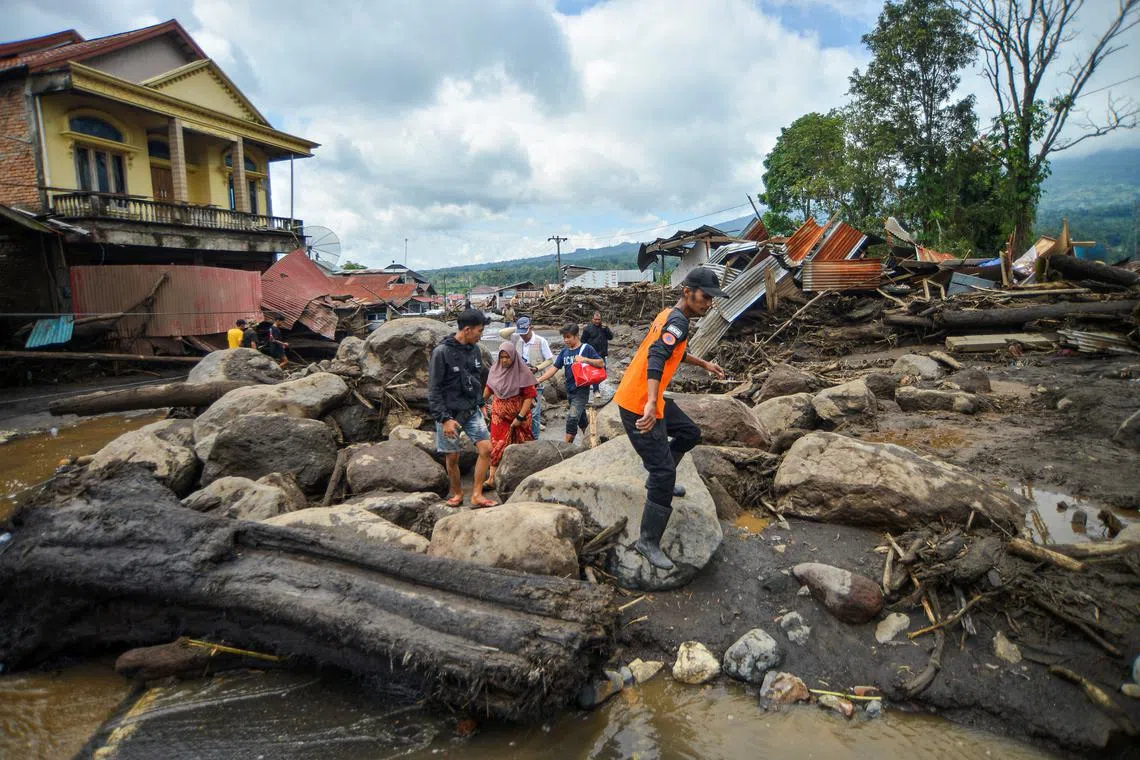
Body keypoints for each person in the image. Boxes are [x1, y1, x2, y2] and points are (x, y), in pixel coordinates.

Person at [613, 267, 727, 570]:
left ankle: (658, 479)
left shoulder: (673, 317)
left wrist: (704, 364)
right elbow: (656, 356)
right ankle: (647, 542)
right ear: (687, 292)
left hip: (649, 398)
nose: (709, 303)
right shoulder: (677, 320)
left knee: (690, 433)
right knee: (665, 473)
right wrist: (651, 402)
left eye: (712, 298)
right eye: (705, 296)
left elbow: (673, 349)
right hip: (639, 404)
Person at [428, 308, 497, 508]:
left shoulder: (475, 350)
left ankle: (477, 494)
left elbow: (476, 380)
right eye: (479, 331)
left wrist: (481, 403)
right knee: (453, 457)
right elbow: (434, 389)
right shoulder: (441, 352)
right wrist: (444, 419)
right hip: (449, 414)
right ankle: (457, 493)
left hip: (471, 410)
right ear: (467, 330)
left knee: (486, 449)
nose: (481, 335)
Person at [481, 341, 537, 490]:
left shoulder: (523, 372)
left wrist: (520, 417)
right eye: (502, 357)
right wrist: (480, 403)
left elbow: (529, 396)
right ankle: (492, 478)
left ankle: (520, 477)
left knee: (520, 445)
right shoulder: (495, 370)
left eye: (507, 357)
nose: (504, 360)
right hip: (499, 417)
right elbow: (489, 388)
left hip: (520, 418)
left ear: (513, 356)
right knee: (497, 445)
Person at [537, 323, 604, 444]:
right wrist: (538, 380)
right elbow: (554, 369)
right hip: (569, 391)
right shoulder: (564, 352)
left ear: (576, 336)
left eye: (568, 337)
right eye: (564, 337)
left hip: (581, 391)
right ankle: (591, 442)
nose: (566, 340)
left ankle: (566, 448)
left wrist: (585, 359)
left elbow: (601, 363)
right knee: (581, 418)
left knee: (572, 419)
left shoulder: (587, 348)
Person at [512, 316, 553, 439]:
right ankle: (523, 435)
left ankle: (535, 438)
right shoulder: (517, 340)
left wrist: (537, 368)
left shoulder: (541, 341)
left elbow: (550, 360)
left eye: (524, 333)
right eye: (520, 333)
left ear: (531, 328)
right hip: (520, 382)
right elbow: (501, 333)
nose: (523, 336)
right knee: (521, 410)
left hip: (536, 381)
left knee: (534, 412)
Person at [581, 310, 614, 395]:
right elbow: (583, 341)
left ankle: (594, 384)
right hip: (592, 354)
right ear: (592, 319)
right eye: (595, 319)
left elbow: (611, 337)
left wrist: (606, 329)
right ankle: (596, 390)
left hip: (602, 353)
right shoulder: (587, 329)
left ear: (601, 319)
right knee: (595, 372)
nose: (597, 321)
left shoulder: (604, 328)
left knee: (603, 371)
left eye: (598, 319)